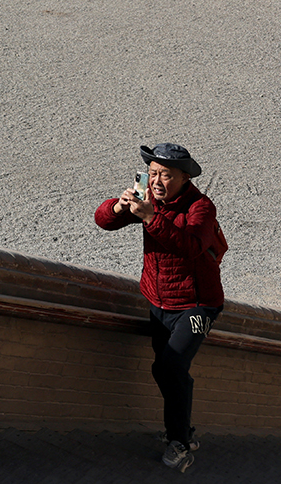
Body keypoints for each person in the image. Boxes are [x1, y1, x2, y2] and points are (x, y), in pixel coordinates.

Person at [94, 143, 225, 474]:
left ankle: (179, 442)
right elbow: (103, 221)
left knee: (171, 366)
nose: (156, 181)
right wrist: (120, 207)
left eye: (165, 175)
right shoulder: (149, 202)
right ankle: (184, 430)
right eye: (152, 174)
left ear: (184, 177)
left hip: (199, 306)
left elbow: (193, 246)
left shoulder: (201, 207)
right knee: (164, 368)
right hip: (159, 301)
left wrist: (152, 217)